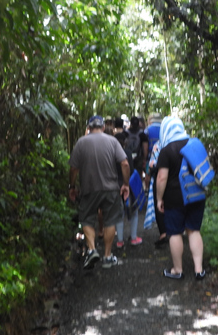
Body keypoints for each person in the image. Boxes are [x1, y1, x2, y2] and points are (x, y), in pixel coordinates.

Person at [69, 115, 130, 269]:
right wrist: (125, 184)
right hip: (111, 189)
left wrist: (72, 186)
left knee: (86, 218)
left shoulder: (81, 142)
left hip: (89, 188)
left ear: (88, 128)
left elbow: (74, 168)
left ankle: (92, 249)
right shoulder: (112, 141)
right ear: (103, 127)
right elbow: (124, 163)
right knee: (110, 220)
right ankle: (107, 256)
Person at [155, 116, 206, 280]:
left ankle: (178, 270)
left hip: (174, 198)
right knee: (194, 230)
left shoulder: (166, 150)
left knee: (175, 232)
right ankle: (199, 270)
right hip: (197, 195)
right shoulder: (194, 144)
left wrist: (159, 198)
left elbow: (161, 177)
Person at [112, 118, 142, 247]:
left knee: (119, 213)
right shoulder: (128, 153)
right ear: (124, 142)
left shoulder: (111, 153)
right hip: (127, 184)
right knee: (133, 211)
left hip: (114, 186)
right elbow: (131, 167)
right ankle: (134, 237)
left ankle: (119, 240)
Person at [144, 114, 168, 247]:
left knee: (160, 204)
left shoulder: (148, 132)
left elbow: (152, 164)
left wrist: (148, 170)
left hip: (160, 177)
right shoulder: (181, 143)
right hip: (176, 182)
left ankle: (163, 233)